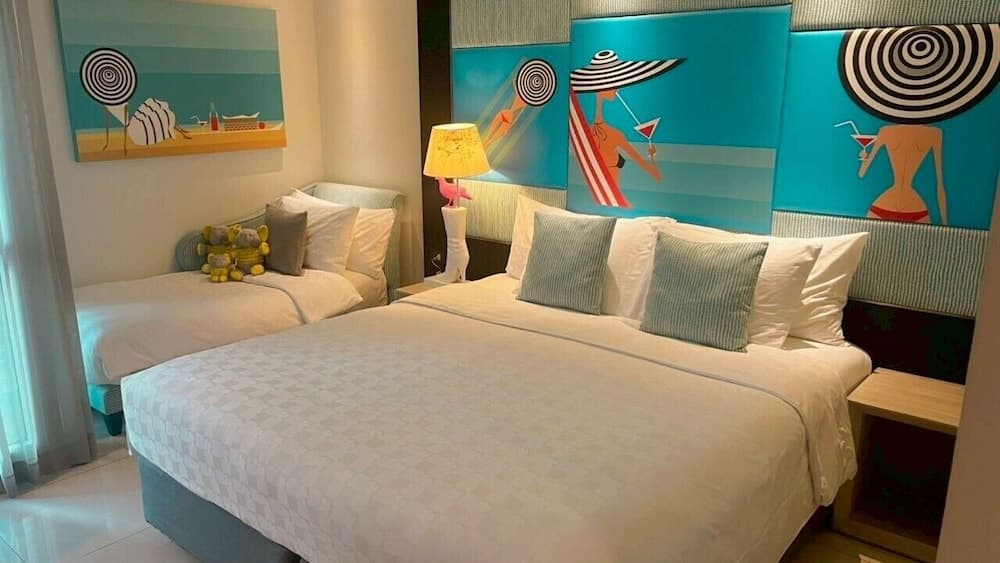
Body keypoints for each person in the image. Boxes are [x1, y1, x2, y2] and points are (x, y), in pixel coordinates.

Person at [859, 124, 946, 224]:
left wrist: (863, 157)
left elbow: (862, 173)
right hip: (914, 205)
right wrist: (945, 223)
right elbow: (939, 185)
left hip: (886, 202)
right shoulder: (934, 133)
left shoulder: (886, 131)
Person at [591, 89, 661, 183]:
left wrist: (652, 158)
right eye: (611, 86)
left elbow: (653, 172)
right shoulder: (614, 134)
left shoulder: (614, 134)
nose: (617, 89)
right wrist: (652, 158)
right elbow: (654, 173)